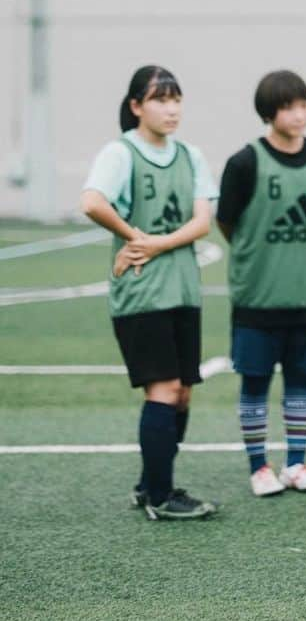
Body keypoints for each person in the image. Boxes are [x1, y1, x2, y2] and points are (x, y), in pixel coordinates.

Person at [80, 65, 218, 520]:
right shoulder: (120, 152)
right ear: (137, 106)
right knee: (164, 388)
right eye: (160, 99)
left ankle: (149, 483)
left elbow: (202, 221)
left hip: (182, 289)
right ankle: (160, 495)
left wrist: (149, 243)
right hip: (142, 294)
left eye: (176, 98)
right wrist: (131, 233)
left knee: (182, 394)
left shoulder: (190, 155)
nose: (171, 108)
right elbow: (92, 201)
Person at [216, 70, 306, 496]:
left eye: (305, 105)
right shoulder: (244, 162)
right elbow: (227, 222)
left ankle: (296, 463)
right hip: (257, 298)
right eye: (290, 106)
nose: (300, 114)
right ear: (269, 112)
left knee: (301, 383)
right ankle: (259, 467)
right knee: (254, 383)